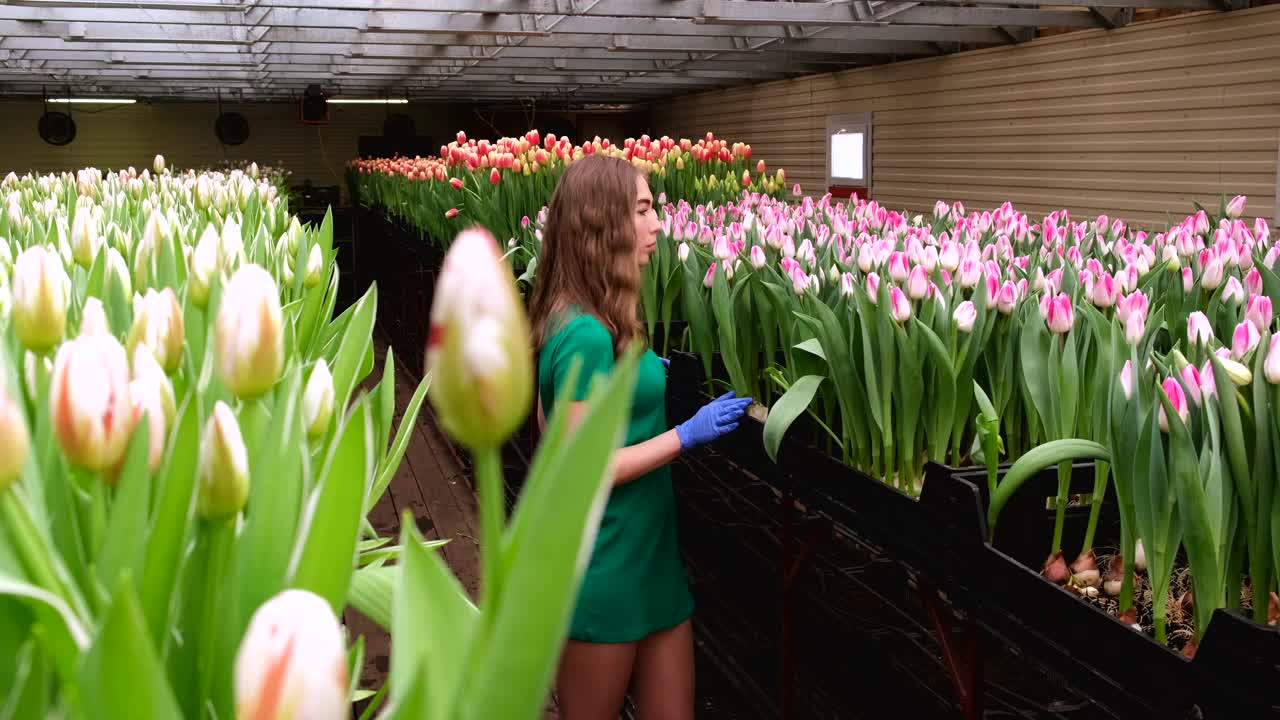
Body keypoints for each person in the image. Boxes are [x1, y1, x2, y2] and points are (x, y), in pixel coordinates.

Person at [527, 153, 753, 719]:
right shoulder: (583, 332)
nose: (658, 225)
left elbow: (549, 419)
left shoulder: (602, 317)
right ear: (602, 224)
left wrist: (647, 378)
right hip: (604, 564)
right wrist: (685, 435)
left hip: (650, 554)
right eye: (645, 210)